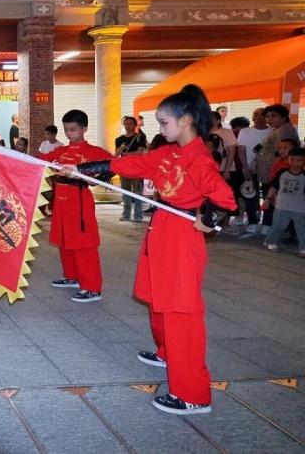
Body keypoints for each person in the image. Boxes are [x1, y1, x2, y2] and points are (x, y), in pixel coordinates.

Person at [68, 84, 235, 415]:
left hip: (181, 238)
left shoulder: (198, 157)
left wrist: (209, 220)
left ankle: (193, 394)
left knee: (181, 311)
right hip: (162, 230)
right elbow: (133, 165)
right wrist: (82, 170)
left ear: (186, 121)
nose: (161, 128)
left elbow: (225, 199)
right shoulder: (169, 153)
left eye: (164, 122)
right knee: (158, 298)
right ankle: (166, 352)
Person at [38, 110, 113, 303]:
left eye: (73, 129)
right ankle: (72, 276)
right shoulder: (61, 151)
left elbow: (114, 164)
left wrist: (98, 179)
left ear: (84, 129)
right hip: (61, 201)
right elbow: (41, 160)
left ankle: (92, 287)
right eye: (66, 130)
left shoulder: (93, 152)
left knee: (84, 244)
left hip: (79, 202)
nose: (69, 133)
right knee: (64, 240)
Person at [253, 104, 300, 234]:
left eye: (273, 116)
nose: (269, 119)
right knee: (270, 197)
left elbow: (280, 152)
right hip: (270, 171)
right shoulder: (276, 129)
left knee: (273, 198)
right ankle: (269, 224)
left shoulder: (284, 130)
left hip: (276, 171)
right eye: (267, 116)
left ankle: (271, 225)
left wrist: (273, 170)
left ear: (283, 117)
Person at [264, 147, 305, 256]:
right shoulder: (282, 173)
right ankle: (271, 242)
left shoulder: (304, 175)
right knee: (278, 225)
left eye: (299, 160)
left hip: (300, 207)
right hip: (282, 205)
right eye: (292, 160)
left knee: (302, 228)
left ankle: (303, 247)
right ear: (288, 159)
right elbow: (274, 186)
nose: (295, 163)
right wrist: (268, 198)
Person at [236, 108, 271, 232]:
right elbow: (241, 151)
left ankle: (267, 223)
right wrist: (246, 168)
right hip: (250, 168)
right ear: (252, 117)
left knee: (268, 195)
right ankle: (252, 221)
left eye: (262, 115)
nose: (259, 117)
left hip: (268, 169)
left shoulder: (273, 131)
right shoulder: (245, 131)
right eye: (256, 114)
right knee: (250, 194)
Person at [114, 116, 148, 222]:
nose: (128, 126)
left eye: (130, 124)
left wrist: (127, 154)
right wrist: (121, 148)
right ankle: (126, 214)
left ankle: (138, 215)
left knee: (138, 192)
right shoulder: (119, 139)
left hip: (137, 168)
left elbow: (140, 152)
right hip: (124, 168)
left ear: (135, 125)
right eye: (126, 124)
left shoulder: (140, 137)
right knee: (126, 192)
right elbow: (116, 154)